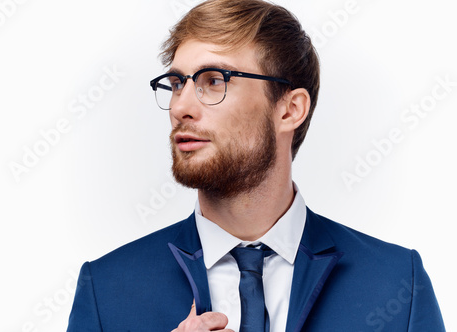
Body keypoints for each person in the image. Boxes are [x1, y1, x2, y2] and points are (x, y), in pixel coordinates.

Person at [66, 0, 445, 331]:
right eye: (177, 82)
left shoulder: (396, 283)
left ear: (289, 109)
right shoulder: (107, 289)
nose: (180, 106)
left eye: (214, 80)